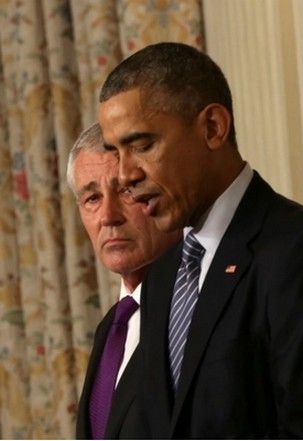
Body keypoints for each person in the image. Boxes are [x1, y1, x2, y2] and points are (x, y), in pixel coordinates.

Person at [97, 42, 303, 438]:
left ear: (213, 128)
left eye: (142, 146)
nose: (125, 175)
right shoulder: (162, 277)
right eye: (116, 152)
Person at [69, 123, 180, 439]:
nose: (108, 215)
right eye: (92, 197)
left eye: (125, 191)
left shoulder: (196, 306)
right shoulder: (111, 327)